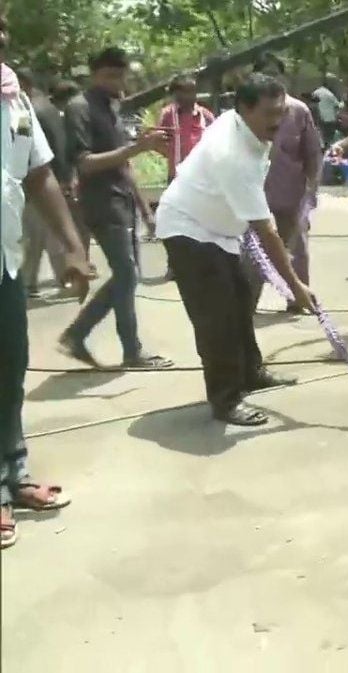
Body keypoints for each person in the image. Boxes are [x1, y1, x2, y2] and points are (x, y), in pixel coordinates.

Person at [156, 74, 316, 426]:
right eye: (270, 113)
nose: (278, 121)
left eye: (282, 111)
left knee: (241, 298)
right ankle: (226, 400)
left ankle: (249, 373)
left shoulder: (242, 125)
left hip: (222, 231)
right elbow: (266, 228)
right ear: (244, 109)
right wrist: (294, 286)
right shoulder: (232, 153)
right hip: (190, 229)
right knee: (218, 317)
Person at [0, 12, 90, 549]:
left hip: (5, 263)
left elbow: (39, 174)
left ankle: (15, 474)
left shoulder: (14, 98)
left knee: (11, 373)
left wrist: (71, 246)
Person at [60, 47, 173, 369]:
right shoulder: (79, 108)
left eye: (121, 75)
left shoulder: (111, 107)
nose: (118, 81)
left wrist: (146, 210)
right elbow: (84, 164)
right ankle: (130, 351)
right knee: (126, 275)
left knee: (127, 277)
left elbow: (124, 164)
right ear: (95, 74)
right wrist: (136, 147)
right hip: (102, 203)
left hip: (122, 201)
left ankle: (77, 335)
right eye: (111, 75)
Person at [249, 53, 322, 314]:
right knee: (254, 250)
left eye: (275, 74)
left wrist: (312, 190)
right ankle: (248, 303)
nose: (270, 79)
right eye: (264, 73)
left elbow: (313, 153)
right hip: (255, 195)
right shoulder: (246, 111)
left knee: (296, 248)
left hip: (291, 194)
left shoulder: (299, 111)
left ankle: (299, 299)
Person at [17, 69, 75, 296]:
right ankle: (63, 278)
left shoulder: (26, 111)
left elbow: (23, 148)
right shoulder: (47, 108)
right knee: (48, 235)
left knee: (35, 237)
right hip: (53, 178)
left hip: (37, 181)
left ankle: (32, 282)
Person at [158, 75, 214, 185]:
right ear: (175, 94)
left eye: (192, 92)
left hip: (202, 176)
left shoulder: (205, 115)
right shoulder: (168, 115)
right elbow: (158, 141)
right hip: (177, 177)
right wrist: (172, 152)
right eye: (185, 92)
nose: (190, 96)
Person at [312, 75, 341, 146]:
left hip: (320, 117)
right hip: (330, 118)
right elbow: (338, 105)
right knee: (330, 138)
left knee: (322, 135)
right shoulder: (330, 94)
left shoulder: (315, 92)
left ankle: (323, 147)